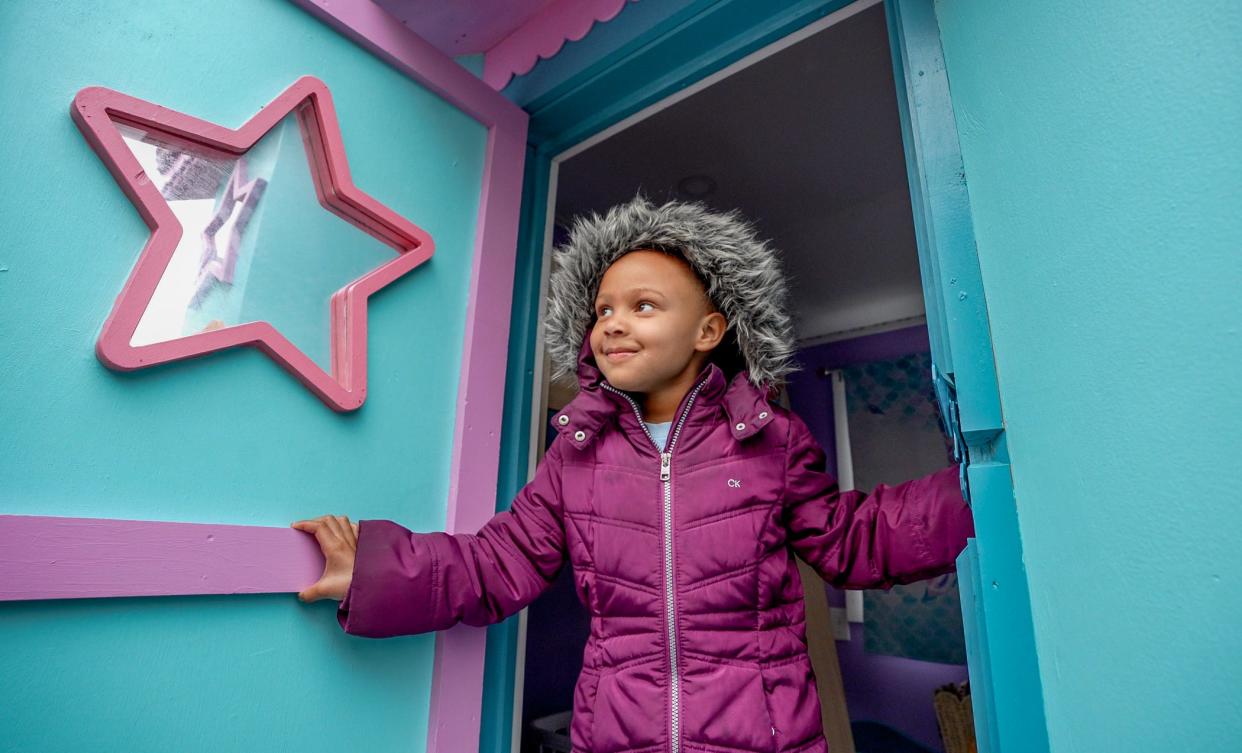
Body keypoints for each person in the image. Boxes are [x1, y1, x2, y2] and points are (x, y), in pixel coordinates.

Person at [292, 195, 975, 753]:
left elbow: (853, 539)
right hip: (616, 734)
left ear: (710, 330)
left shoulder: (771, 441)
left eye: (642, 306)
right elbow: (496, 562)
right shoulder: (578, 454)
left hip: (766, 735)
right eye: (602, 311)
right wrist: (375, 572)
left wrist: (981, 494)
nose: (612, 324)